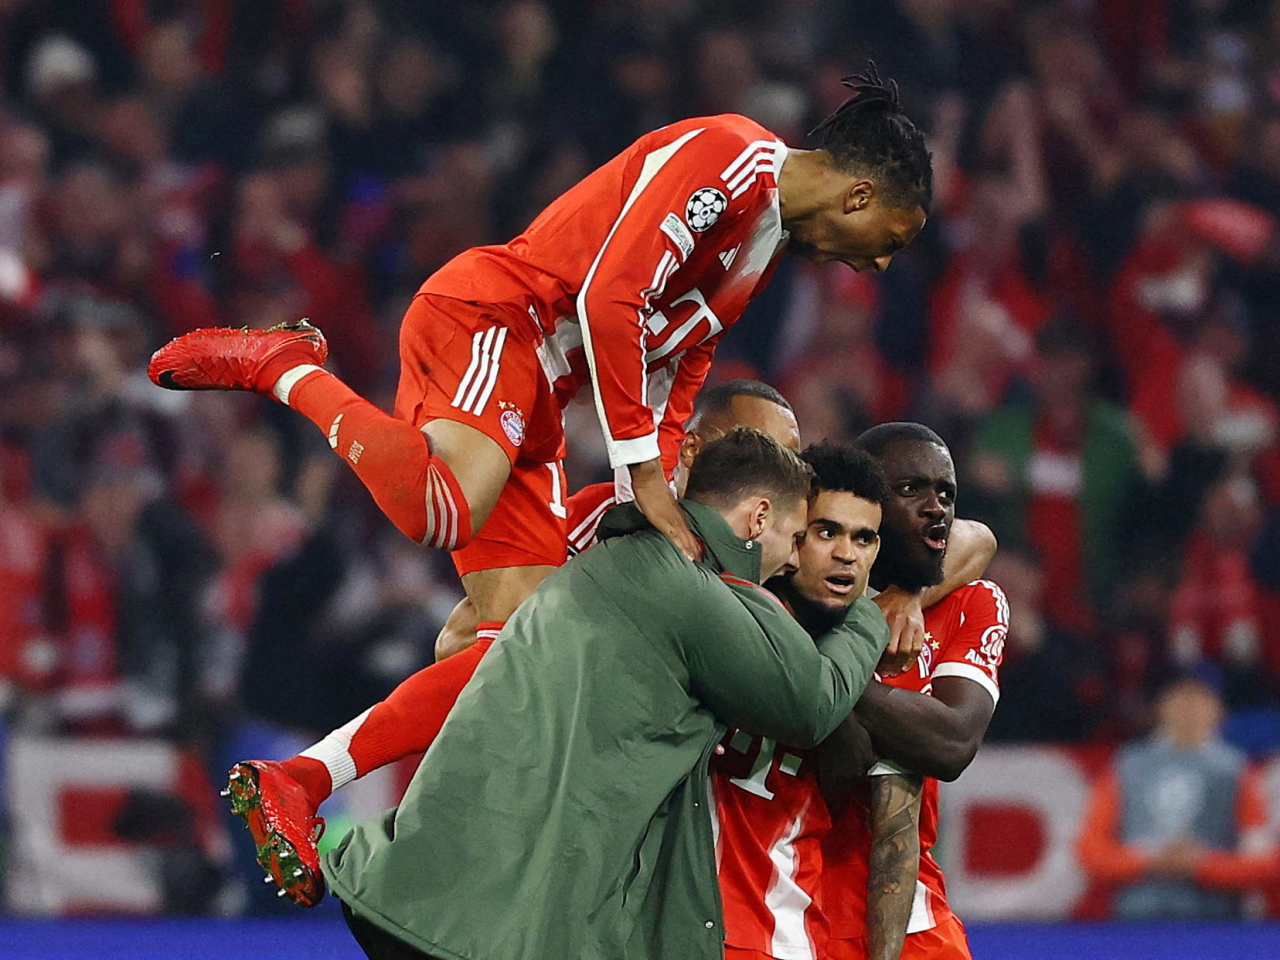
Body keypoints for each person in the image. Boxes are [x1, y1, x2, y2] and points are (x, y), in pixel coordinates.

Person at [147, 62, 930, 671]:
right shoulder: (729, 155)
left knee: (506, 643)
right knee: (442, 508)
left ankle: (344, 789)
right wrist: (644, 478)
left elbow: (681, 367)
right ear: (859, 194)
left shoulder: (764, 241)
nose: (884, 265)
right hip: (496, 319)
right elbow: (611, 298)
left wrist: (652, 493)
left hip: (542, 388)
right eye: (892, 239)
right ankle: (284, 368)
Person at [224, 384, 991, 906]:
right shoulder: (615, 526)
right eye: (766, 450)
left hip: (753, 873)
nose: (785, 477)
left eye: (793, 459)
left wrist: (905, 590)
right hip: (606, 836)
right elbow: (465, 634)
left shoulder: (797, 556)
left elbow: (964, 540)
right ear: (696, 450)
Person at [309, 428, 891, 960]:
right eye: (796, 537)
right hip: (497, 925)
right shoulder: (687, 590)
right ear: (759, 517)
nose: (794, 559)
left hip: (425, 892)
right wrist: (872, 612)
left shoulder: (615, 560)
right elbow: (812, 703)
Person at [818, 422, 1007, 960]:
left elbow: (950, 744)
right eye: (910, 491)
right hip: (783, 909)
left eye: (945, 493)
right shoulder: (801, 590)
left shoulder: (969, 600)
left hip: (918, 928)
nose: (935, 508)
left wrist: (822, 672)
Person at [1076, 669, 1279, 920]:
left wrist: (1202, 865)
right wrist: (1146, 861)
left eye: (1199, 699)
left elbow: (1264, 861)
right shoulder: (1127, 766)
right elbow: (1090, 849)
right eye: (1180, 698)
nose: (1189, 708)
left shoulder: (1235, 771)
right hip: (1136, 918)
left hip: (1214, 921)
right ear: (1160, 707)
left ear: (1218, 709)